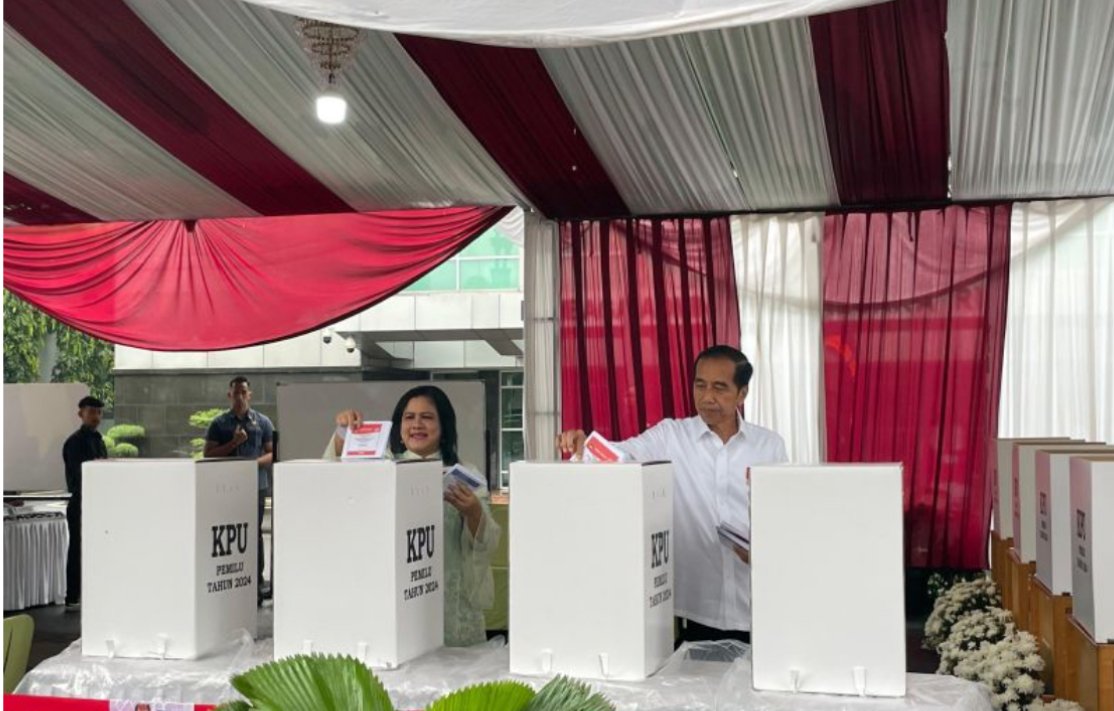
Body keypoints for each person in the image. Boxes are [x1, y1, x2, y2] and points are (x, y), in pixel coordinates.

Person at [557, 345, 787, 643]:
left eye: (720, 388)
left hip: (757, 599)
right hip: (698, 607)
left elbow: (783, 516)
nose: (707, 397)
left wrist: (765, 548)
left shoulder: (769, 446)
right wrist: (584, 444)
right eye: (700, 385)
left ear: (742, 394)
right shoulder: (670, 436)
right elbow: (621, 455)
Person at [326, 385, 500, 646]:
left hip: (449, 607)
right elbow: (338, 489)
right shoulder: (380, 469)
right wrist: (343, 435)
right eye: (409, 417)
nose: (417, 424)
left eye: (427, 417)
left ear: (443, 428)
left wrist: (473, 511)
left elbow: (487, 543)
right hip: (396, 596)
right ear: (399, 427)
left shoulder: (466, 474)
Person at [204, 376, 273, 605]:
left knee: (254, 533)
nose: (240, 397)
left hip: (256, 485)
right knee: (229, 532)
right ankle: (231, 581)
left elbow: (272, 453)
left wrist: (252, 464)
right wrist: (234, 443)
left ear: (249, 395)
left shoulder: (262, 422)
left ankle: (257, 584)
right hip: (226, 488)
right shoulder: (219, 423)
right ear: (229, 395)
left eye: (244, 393)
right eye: (236, 393)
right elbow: (208, 454)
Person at [62, 395, 109, 611]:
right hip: (81, 502)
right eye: (91, 412)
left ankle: (92, 594)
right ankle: (72, 596)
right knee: (77, 550)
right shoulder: (74, 442)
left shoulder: (99, 439)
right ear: (81, 414)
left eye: (99, 412)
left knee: (97, 550)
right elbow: (78, 475)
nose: (96, 417)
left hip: (98, 503)